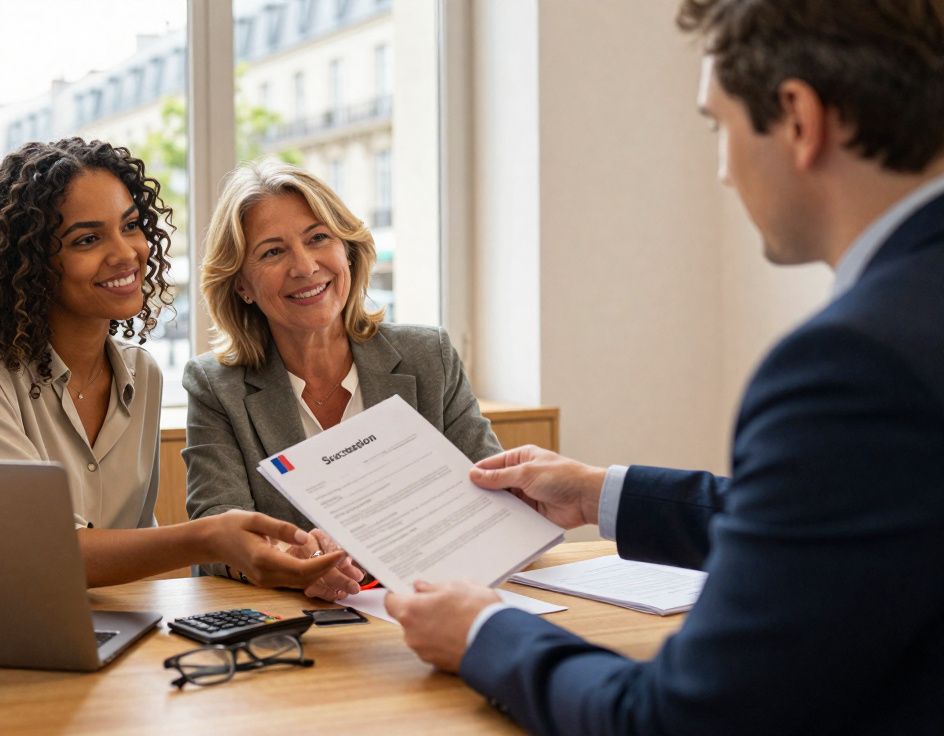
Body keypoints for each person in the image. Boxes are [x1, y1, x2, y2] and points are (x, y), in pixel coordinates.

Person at [385, 1, 944, 733]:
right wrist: (598, 493)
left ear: (798, 119)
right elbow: (843, 521)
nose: (723, 172)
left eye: (718, 126)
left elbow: (680, 721)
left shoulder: (849, 365)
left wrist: (484, 634)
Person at [0, 138, 343, 589]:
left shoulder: (142, 373)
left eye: (131, 225)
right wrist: (208, 538)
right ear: (31, 262)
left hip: (113, 624)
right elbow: (35, 548)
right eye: (87, 239)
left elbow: (133, 544)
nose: (126, 253)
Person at [183, 159, 503, 600]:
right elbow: (216, 530)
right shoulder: (216, 385)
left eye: (318, 238)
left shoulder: (429, 356)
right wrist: (289, 560)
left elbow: (494, 496)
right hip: (297, 618)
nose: (305, 266)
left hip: (430, 602)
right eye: (273, 252)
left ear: (347, 250)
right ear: (242, 286)